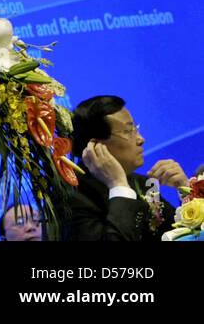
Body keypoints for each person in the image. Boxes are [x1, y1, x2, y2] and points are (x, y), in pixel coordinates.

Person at [62, 95, 189, 241]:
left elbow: (181, 235)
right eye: (129, 131)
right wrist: (119, 187)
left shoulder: (143, 184)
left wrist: (186, 192)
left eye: (136, 129)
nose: (141, 139)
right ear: (95, 146)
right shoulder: (73, 198)